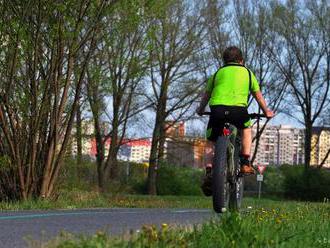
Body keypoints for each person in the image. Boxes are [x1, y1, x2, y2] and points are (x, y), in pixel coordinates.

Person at [196, 46, 274, 177]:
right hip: (238, 111)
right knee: (246, 130)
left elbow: (206, 95)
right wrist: (266, 111)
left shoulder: (217, 73)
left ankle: (209, 171)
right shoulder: (247, 72)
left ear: (224, 61)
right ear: (241, 61)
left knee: (211, 140)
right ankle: (244, 162)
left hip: (217, 110)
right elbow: (258, 95)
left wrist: (201, 109)